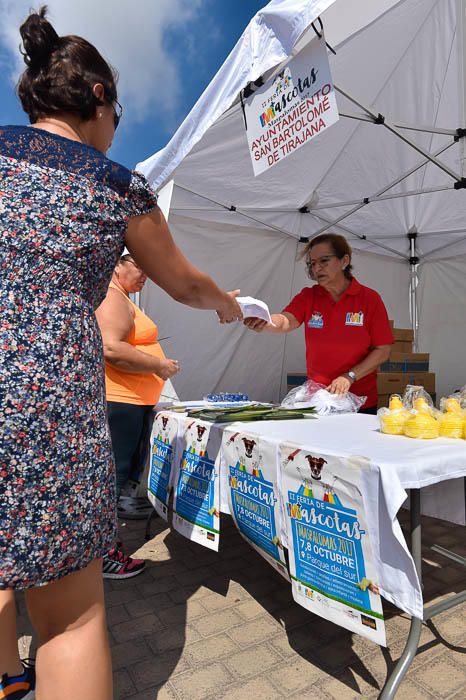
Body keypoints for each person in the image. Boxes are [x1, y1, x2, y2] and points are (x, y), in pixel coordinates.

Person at [0, 7, 241, 700]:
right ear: (99, 99)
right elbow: (187, 282)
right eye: (121, 111)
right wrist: (226, 303)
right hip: (47, 407)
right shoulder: (114, 186)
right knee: (70, 621)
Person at [95, 253, 179, 580]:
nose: (146, 275)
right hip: (120, 401)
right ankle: (104, 555)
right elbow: (111, 349)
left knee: (119, 475)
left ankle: (104, 549)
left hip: (131, 401)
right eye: (140, 267)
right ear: (117, 264)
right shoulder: (112, 297)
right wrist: (158, 365)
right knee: (111, 478)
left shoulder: (122, 298)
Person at [244, 233, 393, 413]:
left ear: (344, 260)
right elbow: (286, 321)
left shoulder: (369, 299)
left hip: (360, 403)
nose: (317, 269)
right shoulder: (309, 296)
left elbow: (383, 350)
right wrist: (265, 321)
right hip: (318, 400)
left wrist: (350, 377)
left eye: (324, 261)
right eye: (312, 263)